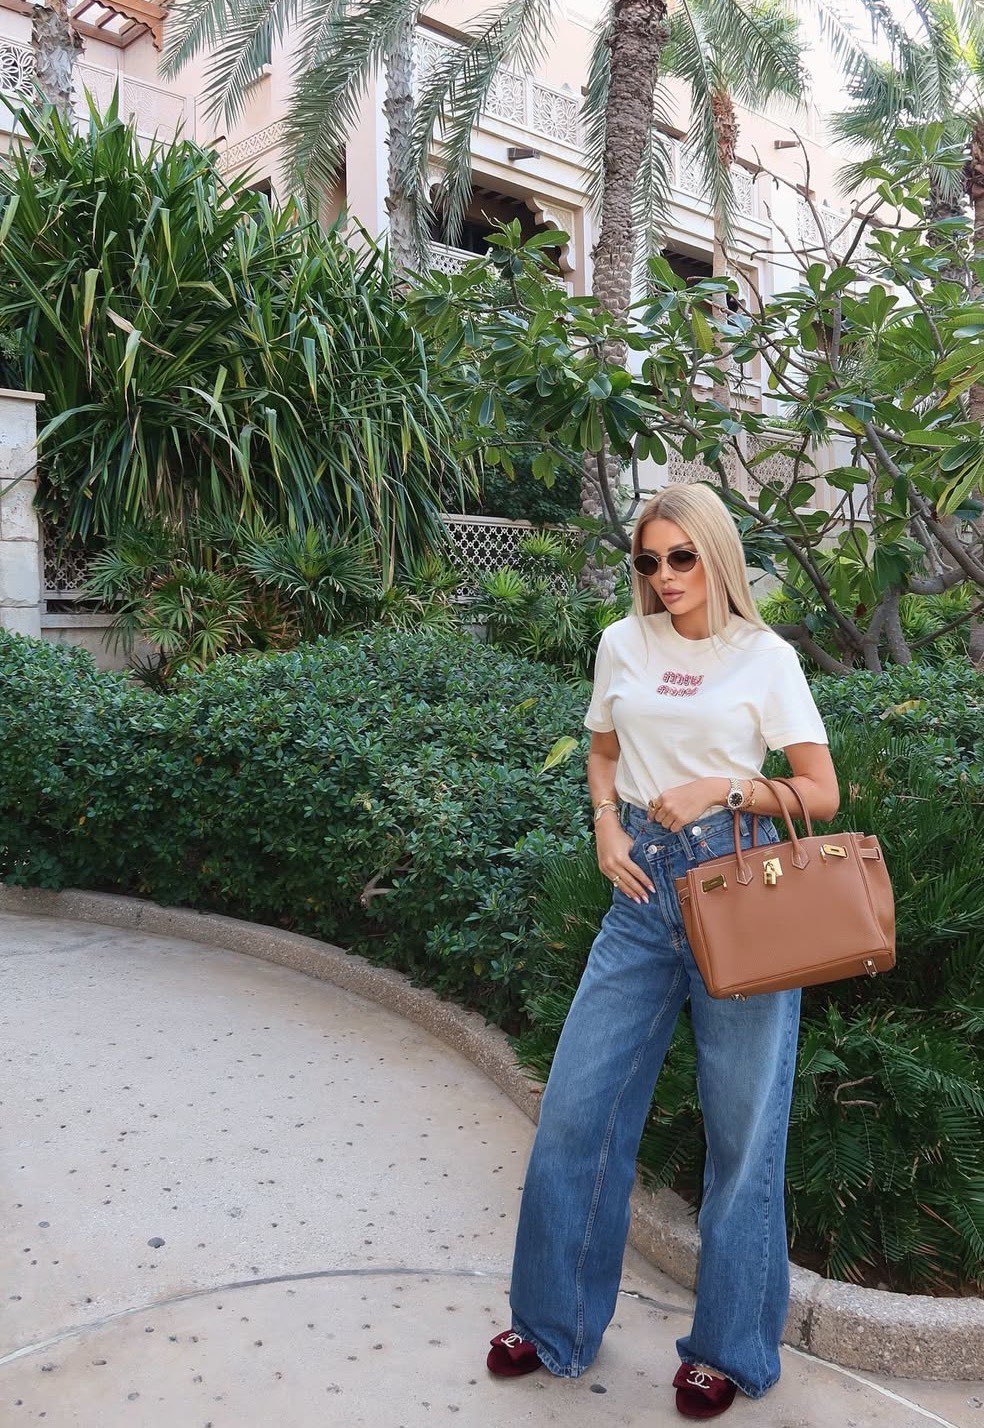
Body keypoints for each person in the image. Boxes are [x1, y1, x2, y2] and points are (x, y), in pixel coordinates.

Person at [486, 483, 838, 1420]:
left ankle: (728, 1350)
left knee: (743, 1136)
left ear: (716, 555)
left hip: (741, 886)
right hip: (641, 890)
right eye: (649, 560)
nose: (665, 575)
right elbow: (603, 750)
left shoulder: (765, 658)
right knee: (576, 1111)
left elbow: (820, 791)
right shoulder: (623, 642)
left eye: (682, 557)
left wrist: (726, 788)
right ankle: (551, 1322)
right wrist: (606, 825)